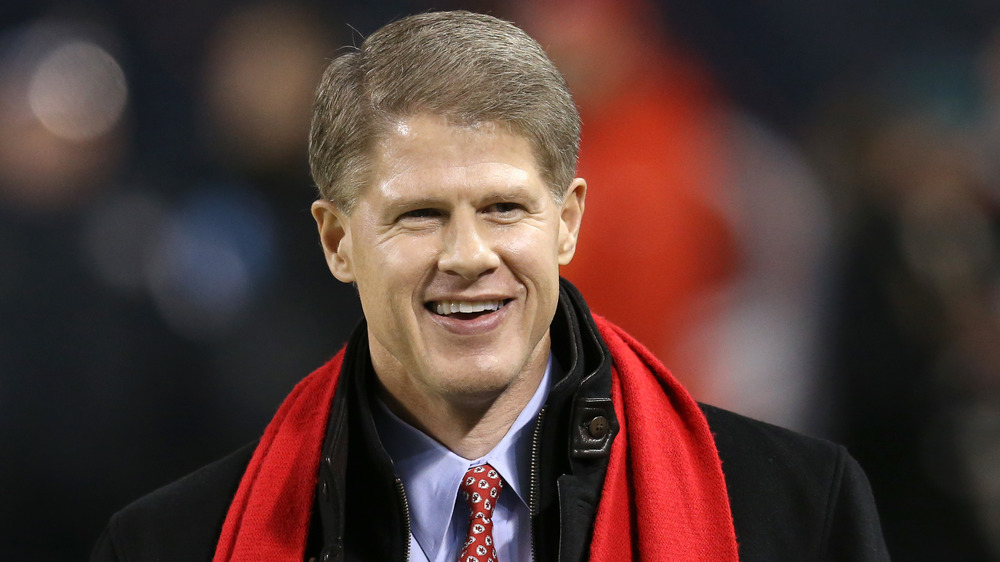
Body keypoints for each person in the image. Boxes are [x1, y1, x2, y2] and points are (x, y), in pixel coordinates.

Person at [91, 11, 889, 561]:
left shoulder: (797, 513)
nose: (469, 254)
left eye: (504, 208)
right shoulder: (169, 544)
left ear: (567, 222)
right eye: (420, 215)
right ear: (337, 240)